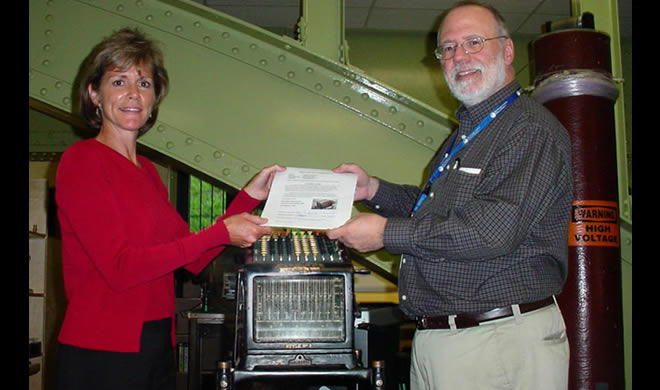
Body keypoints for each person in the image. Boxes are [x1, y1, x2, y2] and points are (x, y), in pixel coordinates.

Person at [327, 2, 572, 389]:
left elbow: (489, 231)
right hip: (445, 338)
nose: (460, 57)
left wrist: (386, 234)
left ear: (507, 51)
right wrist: (373, 190)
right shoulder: (469, 132)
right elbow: (438, 213)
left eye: (474, 42)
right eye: (448, 48)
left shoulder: (528, 130)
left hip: (496, 341)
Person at [55, 27, 284, 389]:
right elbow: (120, 268)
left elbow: (193, 257)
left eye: (144, 83)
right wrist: (221, 231)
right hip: (103, 352)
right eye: (119, 82)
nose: (133, 94)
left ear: (154, 97)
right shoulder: (82, 161)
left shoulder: (146, 172)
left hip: (156, 341)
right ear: (94, 94)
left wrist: (249, 197)